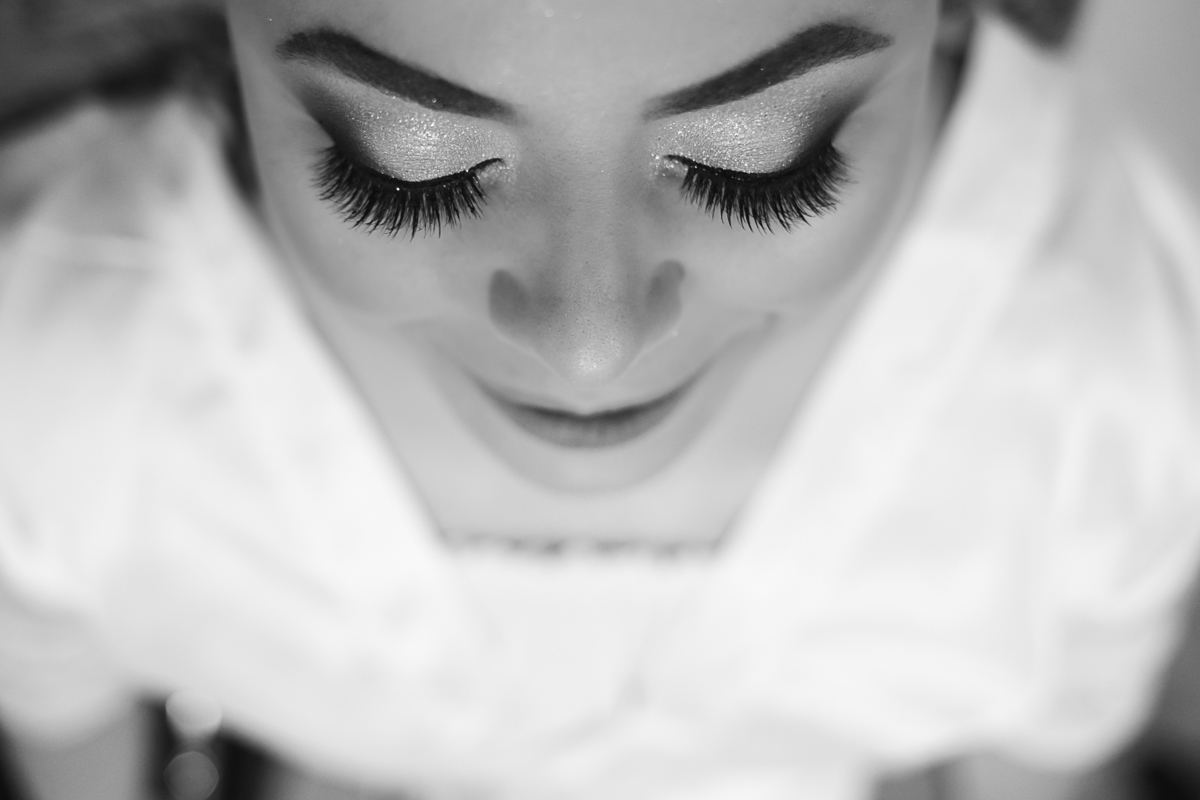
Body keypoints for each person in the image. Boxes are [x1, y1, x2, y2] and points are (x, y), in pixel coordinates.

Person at [1, 0, 1199, 798]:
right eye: (409, 164)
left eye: (761, 157)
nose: (590, 348)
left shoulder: (1092, 393)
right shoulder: (76, 390)